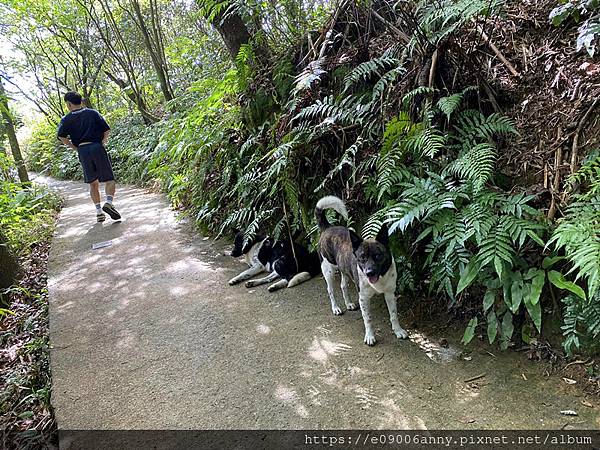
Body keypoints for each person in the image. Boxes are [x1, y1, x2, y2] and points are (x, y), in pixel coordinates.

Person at [57, 91, 121, 223]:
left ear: (69, 104)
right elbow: (106, 130)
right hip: (97, 147)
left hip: (83, 150)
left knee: (93, 183)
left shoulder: (66, 119)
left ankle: (98, 212)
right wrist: (103, 141)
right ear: (81, 101)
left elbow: (61, 136)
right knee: (109, 179)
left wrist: (75, 147)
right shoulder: (93, 113)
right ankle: (108, 202)